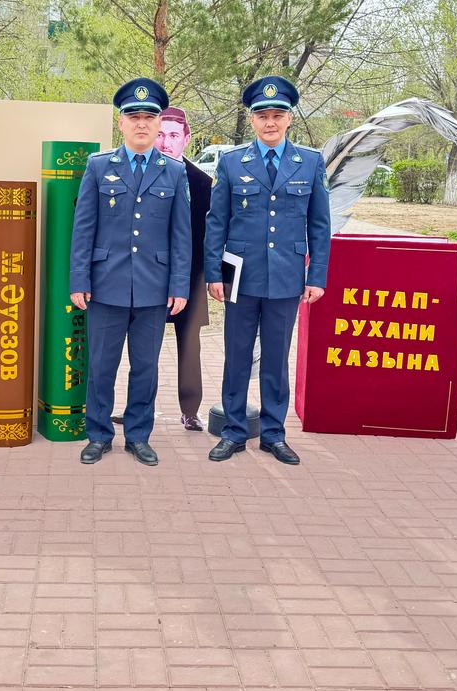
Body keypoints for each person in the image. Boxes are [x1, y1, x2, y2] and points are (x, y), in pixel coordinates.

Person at [204, 76, 330, 465]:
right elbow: (216, 221)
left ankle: (274, 434)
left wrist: (316, 277)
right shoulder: (231, 162)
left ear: (289, 118)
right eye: (262, 116)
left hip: (287, 277)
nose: (270, 122)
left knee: (276, 359)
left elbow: (319, 225)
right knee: (237, 355)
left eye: (277, 115)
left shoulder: (309, 162)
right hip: (240, 276)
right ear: (252, 120)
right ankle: (233, 432)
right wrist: (213, 274)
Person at [70, 78, 191, 465]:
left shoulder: (174, 171)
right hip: (106, 285)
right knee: (101, 366)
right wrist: (79, 280)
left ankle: (138, 436)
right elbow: (83, 228)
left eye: (149, 118)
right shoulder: (99, 166)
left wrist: (180, 285)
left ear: (158, 125)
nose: (141, 124)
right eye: (133, 117)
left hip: (154, 288)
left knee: (145, 368)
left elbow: (181, 235)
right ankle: (98, 434)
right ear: (121, 123)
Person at [155, 106, 212, 430]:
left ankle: (190, 411)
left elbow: (209, 236)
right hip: (147, 276)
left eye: (174, 135)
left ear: (186, 139)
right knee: (143, 347)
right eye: (160, 134)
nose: (166, 142)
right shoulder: (138, 172)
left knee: (190, 346)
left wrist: (211, 279)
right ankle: (138, 408)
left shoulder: (202, 183)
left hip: (190, 278)